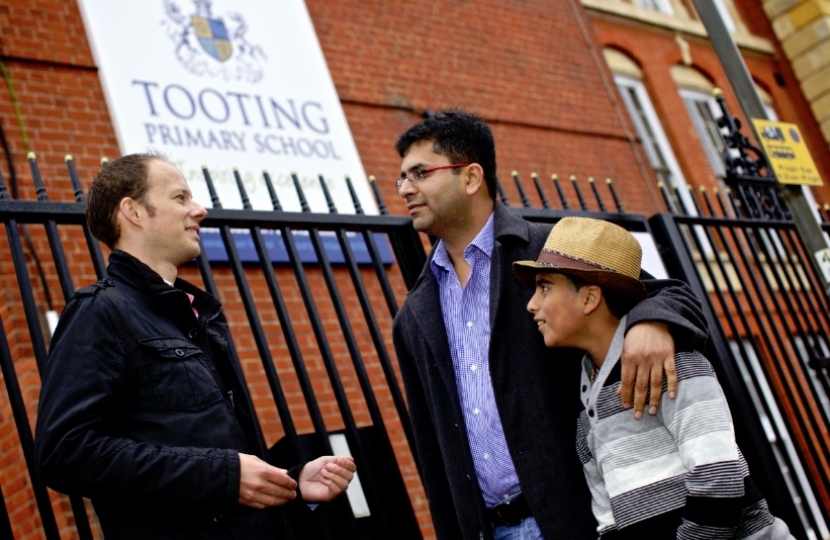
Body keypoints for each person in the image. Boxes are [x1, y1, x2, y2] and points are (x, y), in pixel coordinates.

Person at [391, 110, 708, 540]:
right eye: (402, 178)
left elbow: (673, 295)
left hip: (586, 516)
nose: (405, 189)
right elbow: (432, 451)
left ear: (470, 178)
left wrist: (649, 324)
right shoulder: (413, 313)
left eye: (420, 173)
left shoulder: (552, 246)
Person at [35, 152, 356, 539]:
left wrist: (287, 483)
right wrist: (225, 475)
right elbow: (65, 451)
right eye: (180, 198)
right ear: (133, 211)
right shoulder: (100, 312)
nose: (199, 210)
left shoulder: (193, 315)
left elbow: (204, 444)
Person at [514, 216, 793, 539]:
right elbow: (609, 519)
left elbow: (720, 477)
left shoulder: (675, 365)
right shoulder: (588, 390)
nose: (532, 305)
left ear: (590, 298)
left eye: (545, 287)